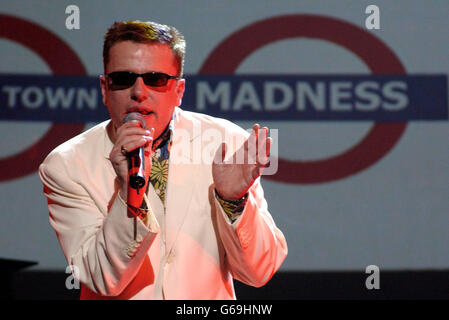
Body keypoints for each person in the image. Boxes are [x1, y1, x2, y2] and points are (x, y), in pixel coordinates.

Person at [39, 20, 287, 300]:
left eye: (155, 79)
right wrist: (127, 194)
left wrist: (234, 201)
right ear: (105, 88)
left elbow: (259, 271)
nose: (139, 93)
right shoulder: (66, 165)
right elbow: (102, 279)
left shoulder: (225, 142)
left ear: (179, 91)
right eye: (123, 79)